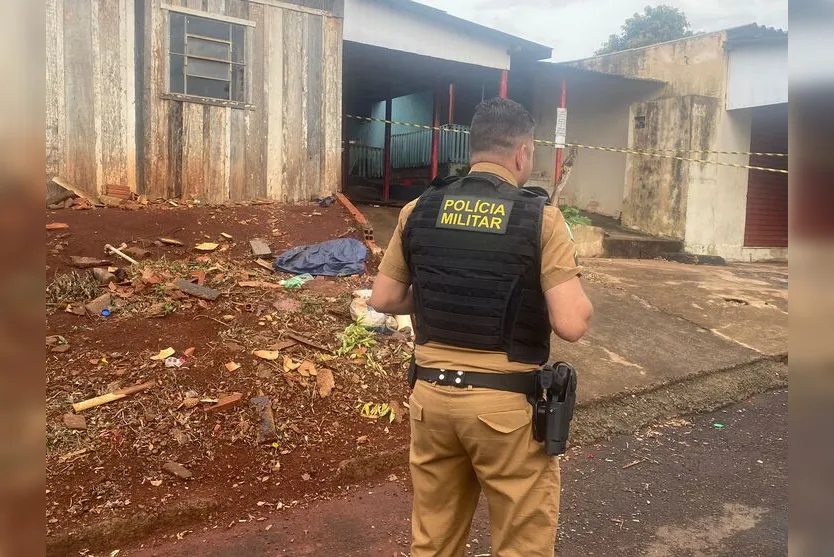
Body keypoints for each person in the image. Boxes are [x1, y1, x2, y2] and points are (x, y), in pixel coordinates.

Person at [369, 97, 593, 557]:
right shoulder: (541, 219)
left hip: (430, 400)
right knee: (521, 543)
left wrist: (433, 299)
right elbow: (572, 323)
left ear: (474, 149)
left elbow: (385, 298)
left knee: (433, 540)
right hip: (505, 409)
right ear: (522, 153)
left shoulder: (418, 210)